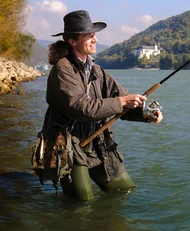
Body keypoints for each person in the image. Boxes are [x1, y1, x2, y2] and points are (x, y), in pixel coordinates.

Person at [43, 10, 163, 201]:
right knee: (83, 204)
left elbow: (122, 99)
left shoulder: (97, 70)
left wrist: (146, 115)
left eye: (94, 35)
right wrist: (122, 101)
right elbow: (81, 107)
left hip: (100, 143)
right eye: (89, 36)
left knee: (124, 190)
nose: (95, 40)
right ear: (72, 41)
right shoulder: (62, 70)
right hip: (70, 147)